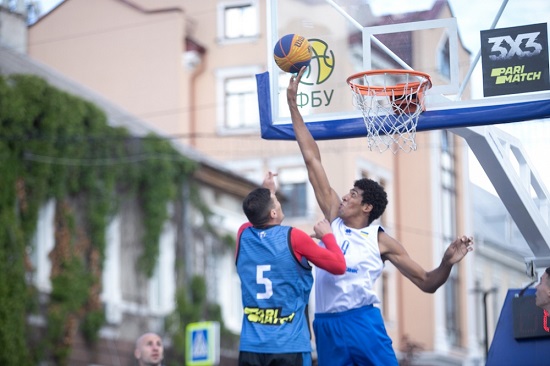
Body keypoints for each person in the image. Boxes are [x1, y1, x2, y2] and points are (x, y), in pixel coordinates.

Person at [287, 66, 475, 366]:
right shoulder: (333, 216)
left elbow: (427, 282)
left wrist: (446, 262)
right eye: (347, 192)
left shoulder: (382, 241)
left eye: (353, 194)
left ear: (367, 208)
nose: (345, 196)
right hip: (326, 324)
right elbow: (312, 159)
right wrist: (294, 106)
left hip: (363, 322)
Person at [236, 171, 346, 366]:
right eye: (276, 200)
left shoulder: (243, 235)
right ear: (273, 213)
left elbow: (260, 223)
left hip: (251, 347)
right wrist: (328, 236)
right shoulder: (295, 237)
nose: (279, 201)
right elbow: (338, 265)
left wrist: (267, 192)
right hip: (289, 346)